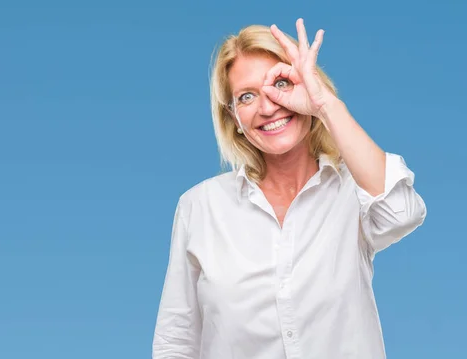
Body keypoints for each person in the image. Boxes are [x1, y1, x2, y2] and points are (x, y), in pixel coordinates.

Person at [151, 18, 427, 359]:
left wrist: (324, 104)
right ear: (234, 118)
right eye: (246, 97)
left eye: (281, 83)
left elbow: (401, 213)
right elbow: (175, 341)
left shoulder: (352, 189)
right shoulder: (199, 207)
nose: (267, 107)